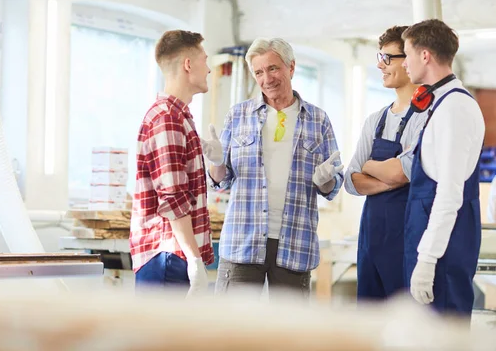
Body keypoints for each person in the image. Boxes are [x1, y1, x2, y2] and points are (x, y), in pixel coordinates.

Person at [202, 37, 343, 298]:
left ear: (291, 67)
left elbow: (333, 186)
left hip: (295, 242)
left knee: (289, 332)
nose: (267, 78)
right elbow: (221, 180)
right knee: (233, 330)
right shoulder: (238, 115)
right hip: (243, 240)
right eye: (259, 72)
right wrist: (216, 161)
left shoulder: (318, 120)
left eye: (273, 68)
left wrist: (325, 180)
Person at [401, 19, 485, 317]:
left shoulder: (454, 108)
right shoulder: (441, 103)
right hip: (433, 242)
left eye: (407, 54)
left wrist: (428, 258)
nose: (405, 63)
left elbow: (450, 192)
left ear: (425, 55)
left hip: (443, 251)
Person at [344, 26, 428, 301]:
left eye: (387, 58)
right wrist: (388, 178)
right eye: (380, 57)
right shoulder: (375, 120)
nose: (380, 65)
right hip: (371, 238)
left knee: (405, 324)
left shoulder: (427, 116)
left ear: (410, 60)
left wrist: (371, 166)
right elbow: (351, 180)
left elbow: (402, 172)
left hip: (408, 239)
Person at [130, 30, 214, 296]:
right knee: (159, 339)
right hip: (169, 255)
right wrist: (194, 259)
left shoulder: (179, 116)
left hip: (172, 255)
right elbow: (173, 198)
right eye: (205, 60)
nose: (209, 69)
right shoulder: (167, 118)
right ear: (188, 64)